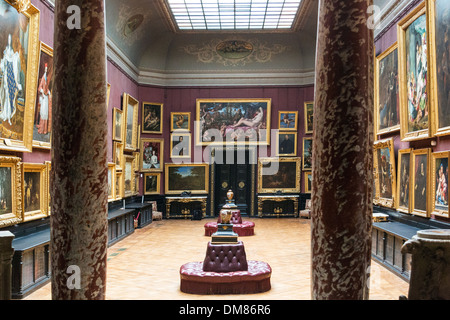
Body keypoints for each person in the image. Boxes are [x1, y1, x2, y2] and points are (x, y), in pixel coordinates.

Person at [0, 34, 22, 125]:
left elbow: (15, 69)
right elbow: (2, 66)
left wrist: (17, 56)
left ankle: (9, 115)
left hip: (11, 79)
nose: (9, 41)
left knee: (11, 97)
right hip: (6, 78)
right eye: (8, 39)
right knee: (6, 97)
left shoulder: (14, 55)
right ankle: (5, 113)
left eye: (10, 39)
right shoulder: (5, 52)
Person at [37, 63, 52, 134]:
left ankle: (45, 129)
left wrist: (48, 92)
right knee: (43, 112)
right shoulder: (43, 77)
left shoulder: (47, 78)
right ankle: (42, 128)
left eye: (47, 69)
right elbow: (40, 88)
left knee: (46, 112)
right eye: (45, 69)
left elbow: (47, 88)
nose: (46, 70)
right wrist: (42, 91)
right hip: (43, 97)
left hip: (46, 97)